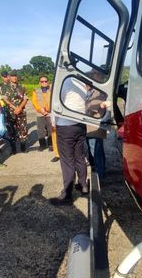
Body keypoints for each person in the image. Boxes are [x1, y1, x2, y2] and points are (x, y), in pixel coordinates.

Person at [49, 77, 88, 206]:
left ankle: (67, 195)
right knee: (80, 157)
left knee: (67, 161)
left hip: (65, 126)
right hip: (81, 125)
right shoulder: (81, 82)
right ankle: (83, 186)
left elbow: (55, 104)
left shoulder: (62, 81)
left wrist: (54, 123)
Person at [0, 70, 29, 153]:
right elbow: (5, 99)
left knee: (23, 130)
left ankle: (23, 147)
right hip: (10, 113)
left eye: (15, 76)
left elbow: (25, 99)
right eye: (12, 76)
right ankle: (13, 149)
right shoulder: (3, 87)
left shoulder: (22, 86)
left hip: (21, 112)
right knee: (11, 130)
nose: (14, 77)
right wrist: (14, 107)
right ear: (9, 77)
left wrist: (19, 108)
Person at [32, 76, 53, 151]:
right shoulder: (36, 91)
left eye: (45, 81)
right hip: (40, 113)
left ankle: (51, 145)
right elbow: (34, 102)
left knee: (50, 129)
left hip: (50, 113)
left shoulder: (52, 90)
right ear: (39, 83)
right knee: (41, 130)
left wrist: (49, 110)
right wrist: (40, 110)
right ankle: (42, 145)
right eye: (42, 81)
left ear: (48, 82)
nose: (44, 83)